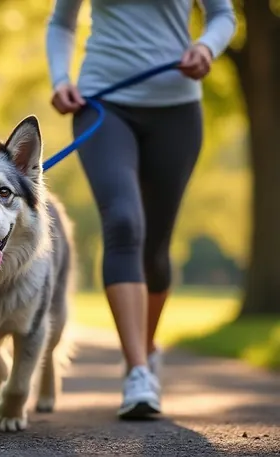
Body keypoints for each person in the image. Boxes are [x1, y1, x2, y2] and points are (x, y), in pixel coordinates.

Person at [45, 0, 236, 419]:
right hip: (102, 104)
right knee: (124, 222)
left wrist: (206, 47)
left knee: (155, 245)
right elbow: (61, 22)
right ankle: (136, 371)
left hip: (178, 110)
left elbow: (223, 14)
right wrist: (61, 78)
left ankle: (146, 351)